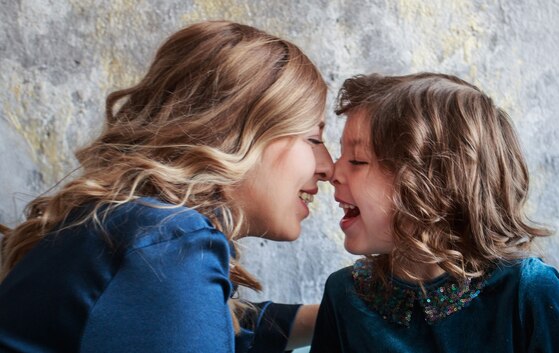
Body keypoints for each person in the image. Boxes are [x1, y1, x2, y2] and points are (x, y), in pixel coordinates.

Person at [0, 21, 333, 353]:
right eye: (314, 139)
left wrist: (333, 314)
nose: (328, 167)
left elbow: (210, 326)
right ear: (236, 135)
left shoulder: (137, 225)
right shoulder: (167, 237)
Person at [310, 72, 559, 352]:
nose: (334, 171)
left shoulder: (527, 290)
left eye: (358, 160)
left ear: (435, 184)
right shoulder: (344, 295)